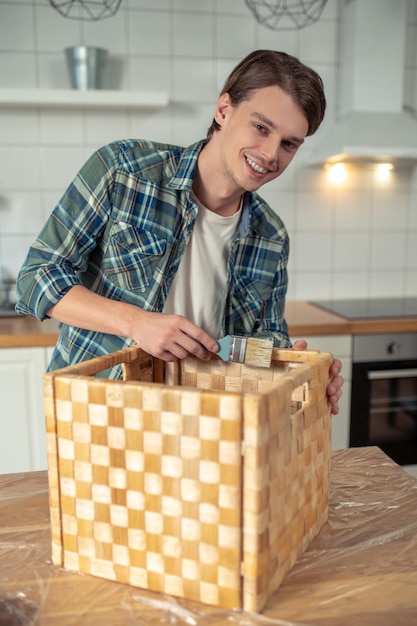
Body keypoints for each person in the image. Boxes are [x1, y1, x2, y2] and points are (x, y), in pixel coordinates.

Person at [16, 50, 343, 413]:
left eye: (288, 144)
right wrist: (136, 323)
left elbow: (264, 345)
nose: (269, 154)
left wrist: (297, 371)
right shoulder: (124, 170)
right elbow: (36, 277)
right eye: (261, 127)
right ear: (223, 109)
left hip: (203, 426)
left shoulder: (271, 235)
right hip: (98, 414)